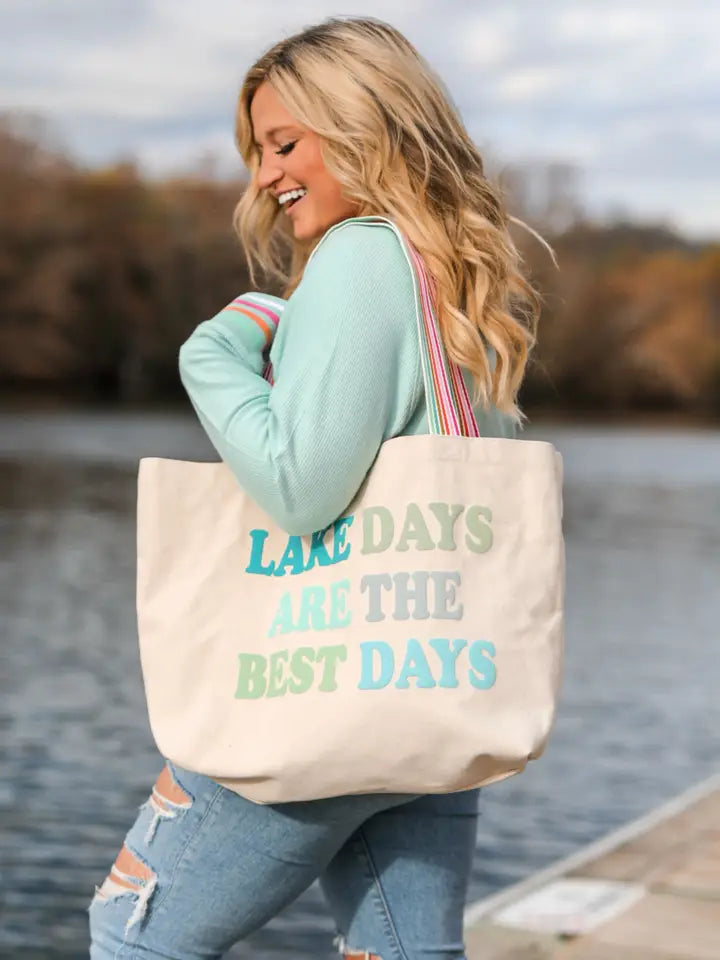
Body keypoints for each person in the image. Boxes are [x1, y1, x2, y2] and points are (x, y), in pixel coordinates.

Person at [88, 15, 551, 960]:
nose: (264, 175)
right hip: (426, 687)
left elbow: (301, 489)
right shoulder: (454, 278)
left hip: (307, 682)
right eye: (259, 152)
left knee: (132, 939)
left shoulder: (360, 258)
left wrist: (213, 352)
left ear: (365, 126)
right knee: (402, 950)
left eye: (283, 144)